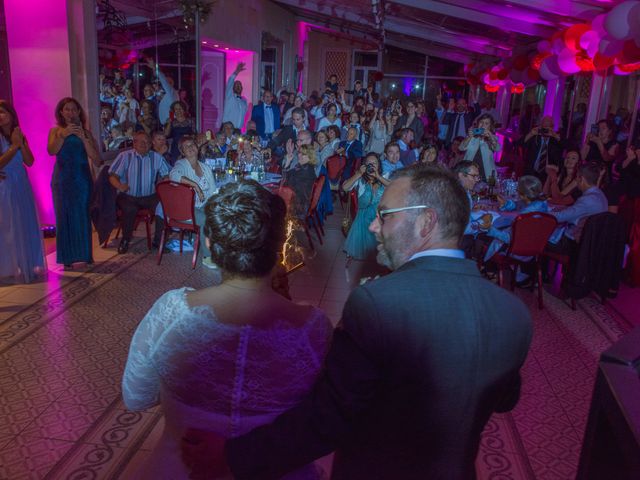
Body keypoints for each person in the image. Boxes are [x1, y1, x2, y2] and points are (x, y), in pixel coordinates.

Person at [181, 166, 532, 480]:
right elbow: (503, 399)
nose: (373, 225)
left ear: (426, 222)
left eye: (385, 215)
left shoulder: (378, 304)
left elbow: (327, 420)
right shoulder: (512, 313)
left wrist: (231, 456)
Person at [122, 180, 332, 479]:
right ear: (278, 246)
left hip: (181, 468)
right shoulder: (313, 328)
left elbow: (136, 396)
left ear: (210, 244)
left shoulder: (172, 312)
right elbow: (321, 416)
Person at [47, 97, 100, 268]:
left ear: (78, 112)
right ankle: (67, 258)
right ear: (61, 112)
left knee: (82, 216)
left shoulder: (86, 133)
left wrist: (83, 138)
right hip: (62, 180)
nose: (70, 112)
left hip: (82, 180)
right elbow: (51, 150)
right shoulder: (55, 131)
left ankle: (84, 255)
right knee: (64, 217)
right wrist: (64, 135)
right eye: (67, 109)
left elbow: (97, 160)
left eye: (73, 109)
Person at [0, 100, 46, 283]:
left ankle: (26, 264)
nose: (0, 116)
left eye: (3, 112)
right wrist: (13, 147)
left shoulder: (18, 134)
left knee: (25, 224)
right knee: (8, 227)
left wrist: (20, 143)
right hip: (5, 186)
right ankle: (8, 268)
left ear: (11, 115)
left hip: (22, 184)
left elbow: (29, 161)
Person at [108, 131, 170, 254]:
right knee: (129, 209)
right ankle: (125, 240)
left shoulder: (156, 157)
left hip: (150, 196)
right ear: (134, 143)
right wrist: (120, 186)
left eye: (147, 142)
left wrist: (165, 184)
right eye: (140, 141)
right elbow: (112, 176)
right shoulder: (125, 156)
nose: (144, 144)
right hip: (128, 196)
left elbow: (168, 174)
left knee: (163, 206)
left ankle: (158, 242)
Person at [169, 136, 218, 268]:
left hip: (201, 207)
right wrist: (195, 185)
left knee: (220, 215)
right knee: (207, 220)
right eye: (187, 146)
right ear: (183, 152)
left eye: (192, 145)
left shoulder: (205, 168)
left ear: (197, 147)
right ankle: (208, 257)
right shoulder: (181, 164)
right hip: (184, 211)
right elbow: (173, 176)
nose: (191, 148)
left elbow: (213, 192)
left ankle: (219, 250)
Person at [547, 162, 609, 254]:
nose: (575, 181)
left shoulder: (588, 199)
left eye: (576, 178)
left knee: (535, 235)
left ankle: (533, 267)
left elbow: (559, 217)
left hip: (572, 244)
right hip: (588, 244)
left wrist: (541, 210)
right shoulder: (601, 195)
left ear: (582, 179)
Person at [342, 152, 389, 260]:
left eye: (375, 163)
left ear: (379, 166)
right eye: (369, 164)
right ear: (364, 166)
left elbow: (394, 187)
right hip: (363, 219)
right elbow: (345, 188)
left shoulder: (384, 176)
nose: (372, 166)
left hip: (381, 216)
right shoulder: (360, 180)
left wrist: (378, 176)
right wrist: (358, 173)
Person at [458, 113, 500, 181]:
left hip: (486, 173)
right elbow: (461, 148)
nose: (483, 125)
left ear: (490, 126)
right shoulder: (472, 136)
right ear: (478, 123)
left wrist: (491, 137)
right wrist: (469, 137)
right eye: (481, 122)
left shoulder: (493, 138)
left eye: (486, 123)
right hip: (469, 173)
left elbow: (497, 148)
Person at [523, 115, 562, 182]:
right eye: (544, 127)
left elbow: (568, 146)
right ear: (540, 126)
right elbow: (521, 144)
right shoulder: (535, 138)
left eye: (548, 127)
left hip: (547, 174)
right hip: (531, 171)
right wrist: (531, 134)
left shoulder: (555, 141)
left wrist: (555, 135)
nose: (545, 130)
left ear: (552, 127)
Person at [145, 58, 179, 126]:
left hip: (170, 125)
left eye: (169, 82)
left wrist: (154, 68)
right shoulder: (165, 94)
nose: (165, 84)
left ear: (172, 83)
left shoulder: (171, 92)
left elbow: (163, 80)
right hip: (164, 125)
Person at [164, 100, 195, 165]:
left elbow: (194, 135)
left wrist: (189, 137)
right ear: (173, 111)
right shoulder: (171, 122)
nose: (178, 111)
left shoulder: (191, 121)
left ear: (184, 110)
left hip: (187, 147)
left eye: (180, 108)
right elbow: (166, 134)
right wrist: (169, 123)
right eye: (176, 109)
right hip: (175, 147)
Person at [222, 62, 248, 131]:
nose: (238, 86)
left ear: (242, 88)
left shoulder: (244, 101)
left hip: (238, 130)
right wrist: (236, 71)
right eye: (236, 85)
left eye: (239, 85)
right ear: (232, 88)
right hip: (228, 129)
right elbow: (230, 82)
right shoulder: (230, 97)